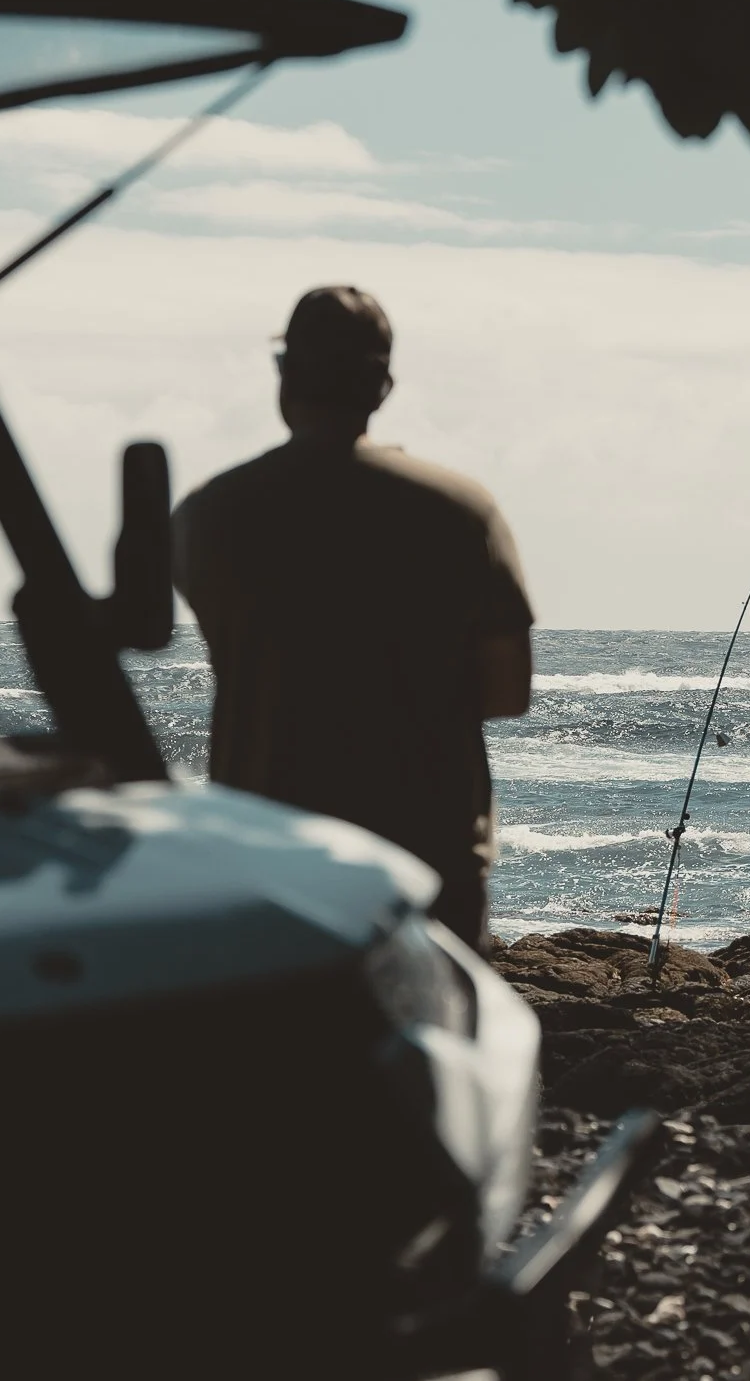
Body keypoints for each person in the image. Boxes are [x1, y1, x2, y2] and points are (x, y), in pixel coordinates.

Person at [173, 285, 533, 951]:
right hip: (429, 853)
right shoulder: (459, 511)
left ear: (284, 378)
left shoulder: (210, 514)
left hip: (266, 849)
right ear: (382, 386)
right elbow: (507, 695)